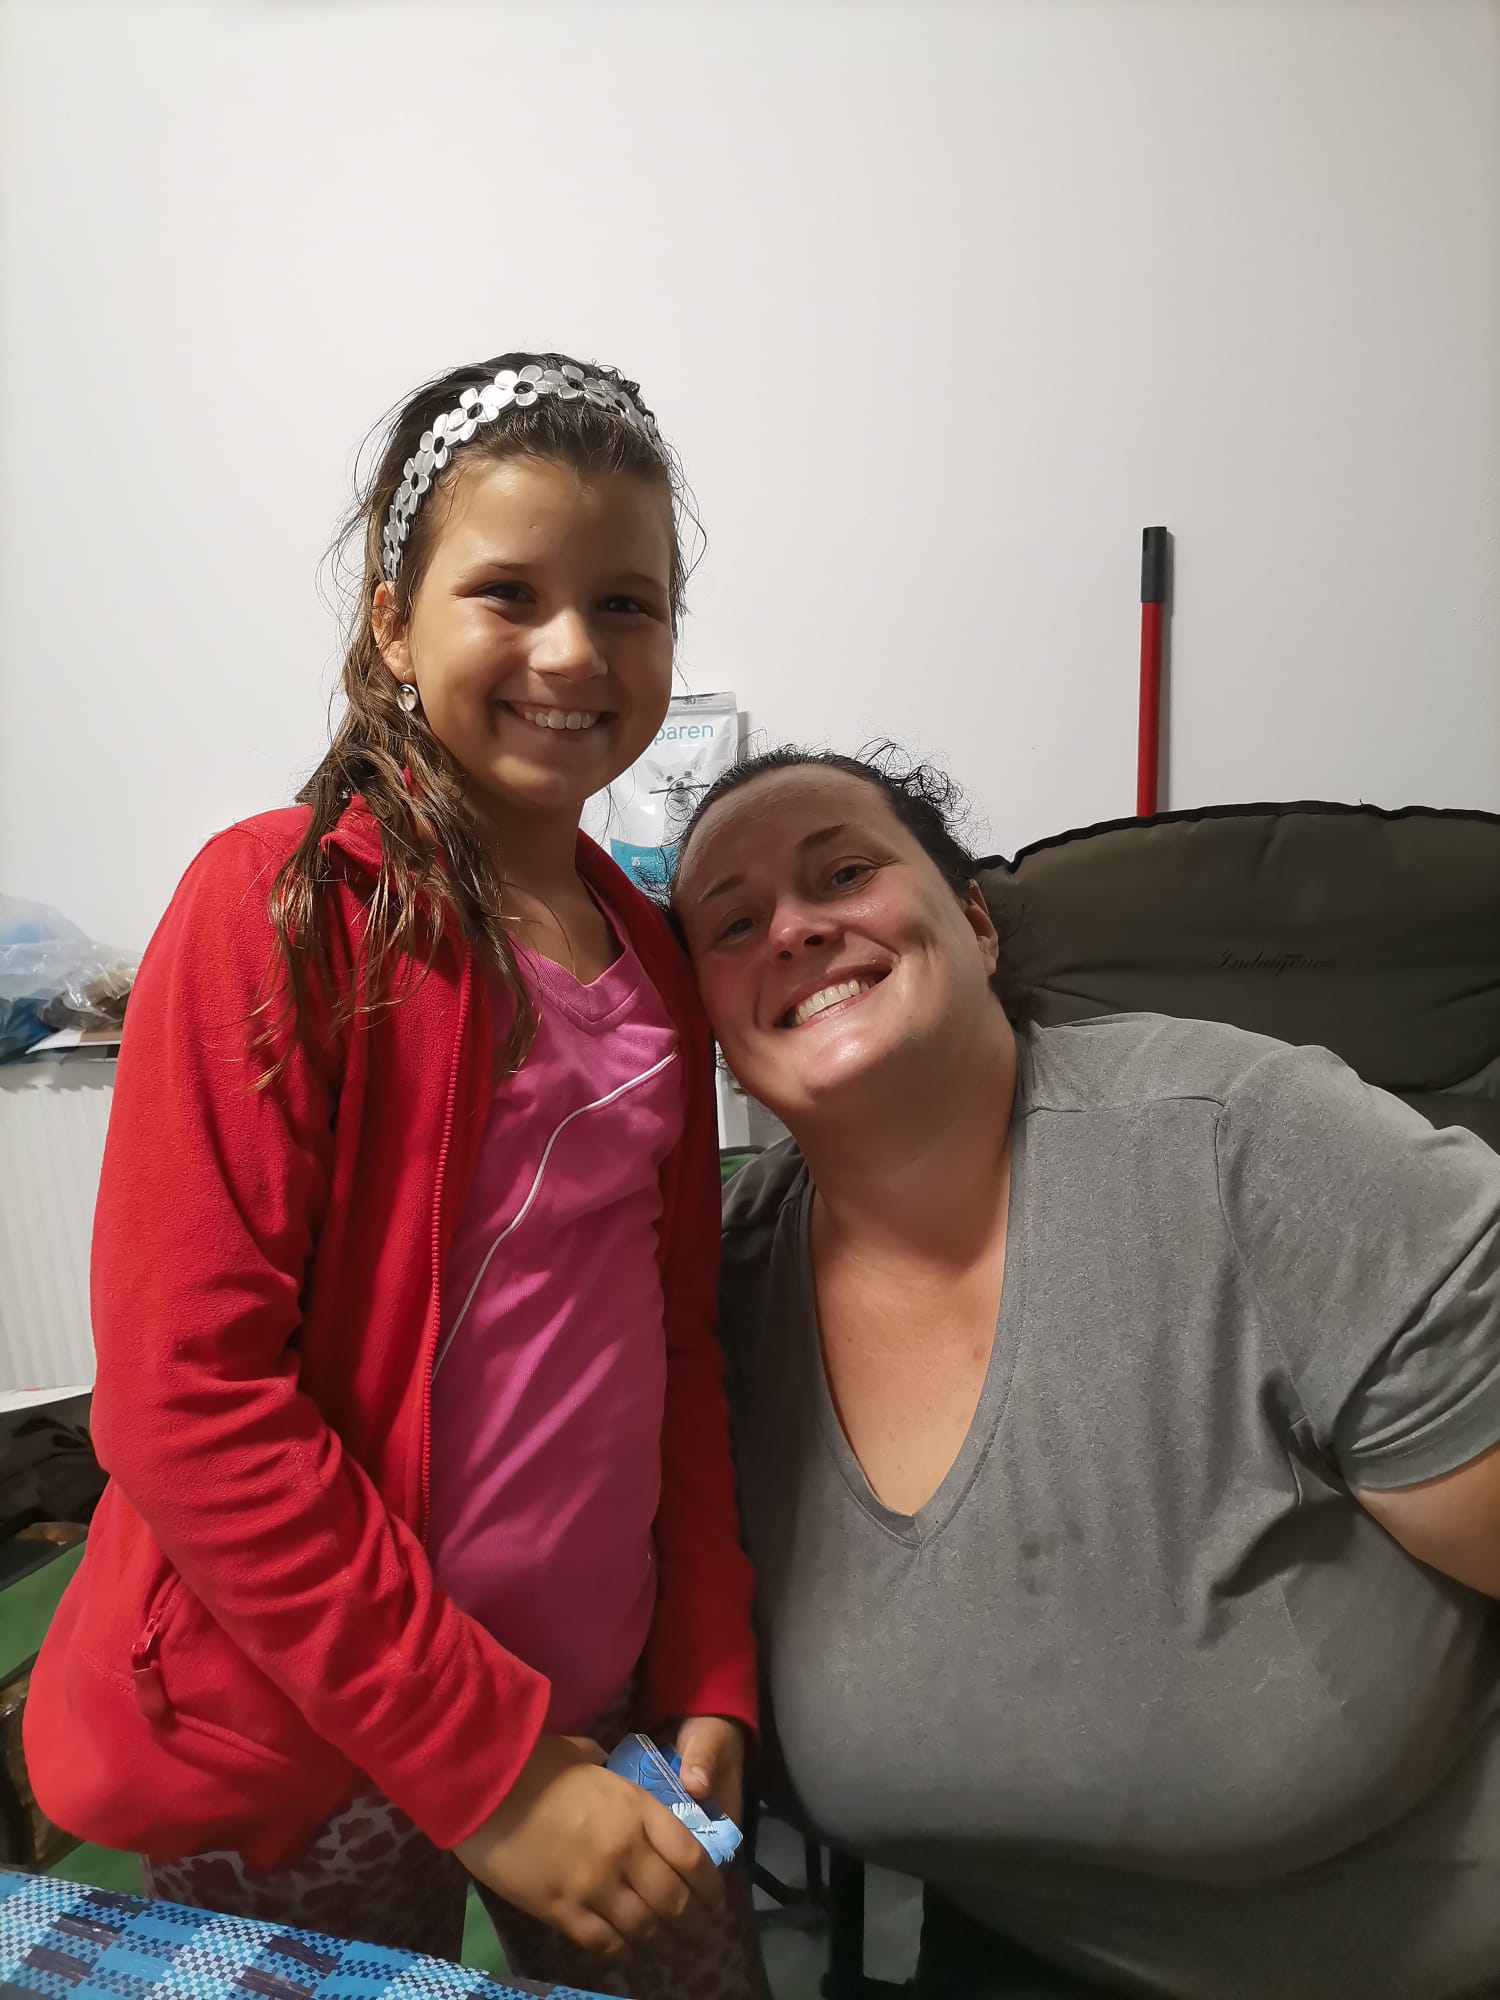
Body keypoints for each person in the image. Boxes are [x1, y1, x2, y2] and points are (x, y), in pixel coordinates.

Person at [26, 353, 768, 2000]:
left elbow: (677, 1347)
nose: (573, 651)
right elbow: (189, 1401)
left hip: (607, 1707)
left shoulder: (654, 959)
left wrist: (708, 1661)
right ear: (391, 627)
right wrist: (490, 1772)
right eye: (508, 594)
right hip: (319, 1737)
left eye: (629, 604)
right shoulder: (273, 912)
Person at [671, 744, 1500, 2000]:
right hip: (1026, 1956)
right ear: (715, 1034)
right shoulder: (708, 1301)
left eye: (842, 873)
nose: (794, 928)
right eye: (734, 923)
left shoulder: (1252, 1147)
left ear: (976, 922)